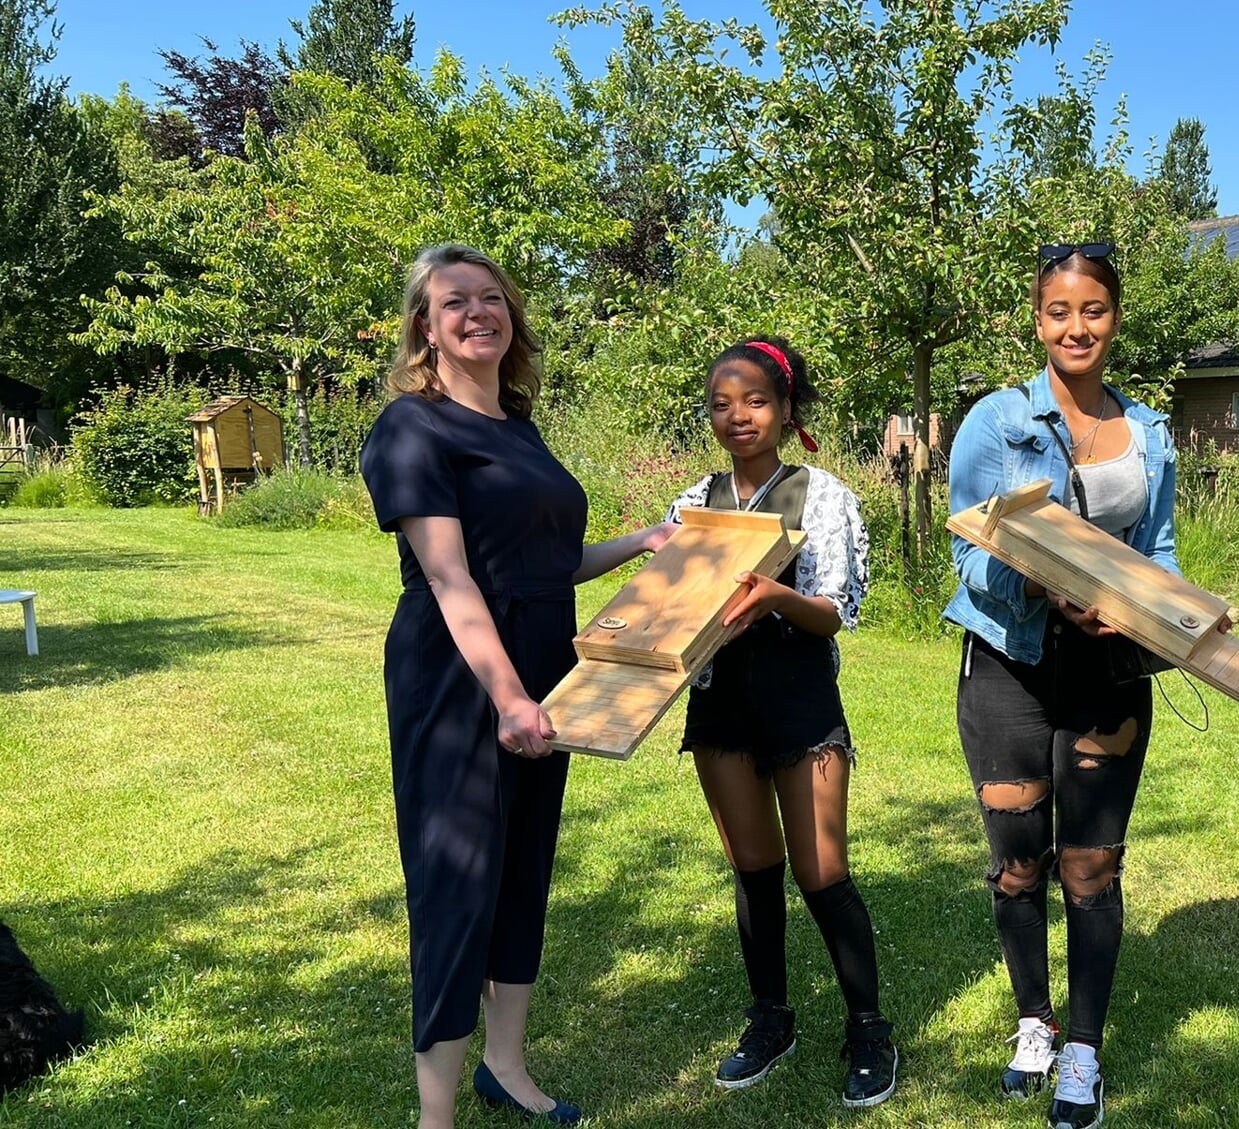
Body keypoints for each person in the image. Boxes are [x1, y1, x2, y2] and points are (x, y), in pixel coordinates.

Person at [360, 244, 675, 1129]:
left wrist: (640, 542)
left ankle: (505, 1065)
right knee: (456, 876)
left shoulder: (520, 426)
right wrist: (505, 697)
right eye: (454, 302)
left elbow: (548, 562)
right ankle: (436, 1115)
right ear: (425, 325)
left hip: (545, 671)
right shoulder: (410, 428)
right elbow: (454, 578)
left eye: (491, 298)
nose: (476, 313)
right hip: (460, 678)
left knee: (524, 863)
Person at [944, 242, 1178, 1129]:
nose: (1076, 326)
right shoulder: (995, 421)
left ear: (1115, 316)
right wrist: (1043, 585)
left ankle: (1082, 1044)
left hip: (1105, 671)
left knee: (1090, 860)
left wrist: (1149, 613)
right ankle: (1031, 1021)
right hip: (1009, 656)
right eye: (1058, 311)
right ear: (1036, 319)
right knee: (1017, 863)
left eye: (1094, 309)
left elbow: (1155, 552)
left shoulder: (1148, 431)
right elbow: (971, 551)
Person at [661, 335, 899, 1109]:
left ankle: (868, 1028)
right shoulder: (693, 502)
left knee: (822, 873)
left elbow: (838, 611)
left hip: (800, 702)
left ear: (786, 407)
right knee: (754, 872)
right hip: (721, 705)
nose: (738, 417)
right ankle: (771, 1019)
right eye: (721, 404)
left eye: (755, 401)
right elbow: (671, 604)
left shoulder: (822, 495)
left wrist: (772, 596)